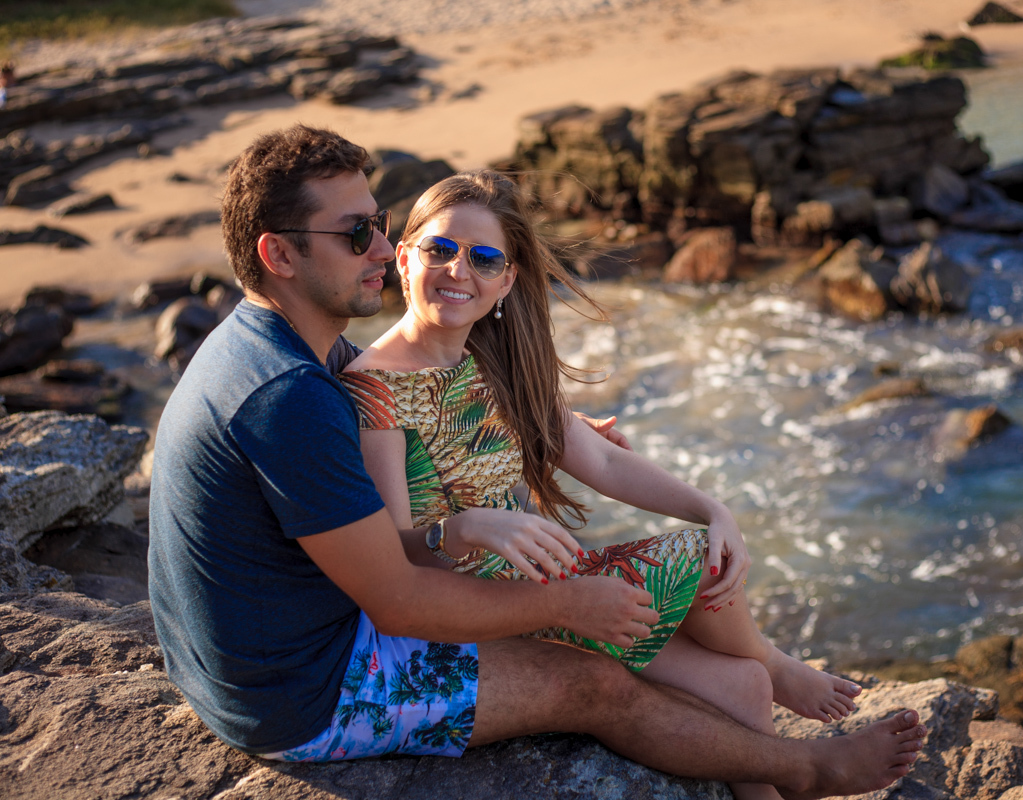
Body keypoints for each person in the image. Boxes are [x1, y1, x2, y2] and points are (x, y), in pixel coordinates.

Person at [147, 123, 925, 799]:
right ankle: (807, 771)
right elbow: (399, 599)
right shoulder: (292, 396)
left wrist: (528, 426)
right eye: (357, 235)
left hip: (250, 661)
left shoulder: (293, 354)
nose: (383, 250)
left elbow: (405, 393)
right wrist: (562, 603)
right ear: (277, 254)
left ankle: (774, 699)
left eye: (381, 226)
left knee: (731, 671)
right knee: (591, 684)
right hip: (304, 693)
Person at [338, 169, 866, 799]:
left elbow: (607, 465)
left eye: (483, 258)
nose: (459, 271)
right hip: (482, 616)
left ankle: (770, 693)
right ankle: (779, 672)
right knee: (701, 575)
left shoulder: (496, 363)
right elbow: (394, 552)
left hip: (551, 586)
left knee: (742, 682)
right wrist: (464, 527)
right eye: (440, 250)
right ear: (403, 257)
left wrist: (712, 507)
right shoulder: (375, 389)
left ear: (506, 281)